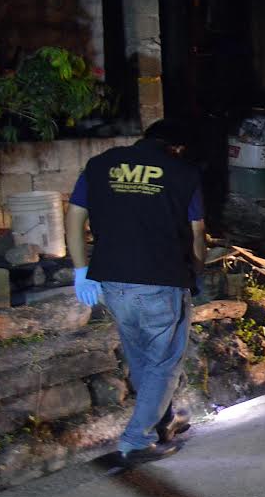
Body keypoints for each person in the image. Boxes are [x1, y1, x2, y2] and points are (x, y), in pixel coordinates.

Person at [64, 118, 205, 465]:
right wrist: (196, 271)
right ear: (177, 147)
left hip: (111, 281)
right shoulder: (183, 172)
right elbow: (198, 231)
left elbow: (74, 216)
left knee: (142, 359)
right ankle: (136, 441)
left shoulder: (100, 165)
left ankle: (163, 421)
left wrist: (81, 269)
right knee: (164, 363)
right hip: (161, 280)